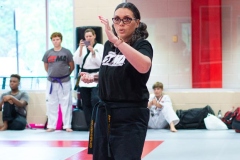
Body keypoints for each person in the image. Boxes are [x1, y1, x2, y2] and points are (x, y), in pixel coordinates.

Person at [81, 2, 153, 160]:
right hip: (105, 113)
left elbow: (144, 66)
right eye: (117, 19)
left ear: (137, 22)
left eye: (127, 19)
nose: (121, 23)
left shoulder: (141, 45)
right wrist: (93, 77)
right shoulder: (109, 45)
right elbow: (113, 72)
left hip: (130, 115)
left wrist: (117, 41)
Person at [42, 32, 74, 132]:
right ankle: (51, 125)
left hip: (64, 81)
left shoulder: (66, 52)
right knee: (51, 103)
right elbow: (46, 66)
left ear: (61, 40)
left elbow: (71, 66)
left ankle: (67, 125)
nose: (56, 41)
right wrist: (52, 74)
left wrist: (66, 74)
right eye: (54, 40)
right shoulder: (48, 53)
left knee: (66, 103)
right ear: (52, 41)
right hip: (51, 81)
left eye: (57, 39)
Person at [73, 28, 104, 128]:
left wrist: (93, 52)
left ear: (94, 36)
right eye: (86, 36)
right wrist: (81, 48)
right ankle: (89, 125)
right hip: (84, 77)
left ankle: (97, 123)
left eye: (90, 36)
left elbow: (101, 62)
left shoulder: (100, 47)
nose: (88, 38)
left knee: (95, 99)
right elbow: (77, 61)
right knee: (85, 102)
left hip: (96, 77)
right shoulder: (82, 47)